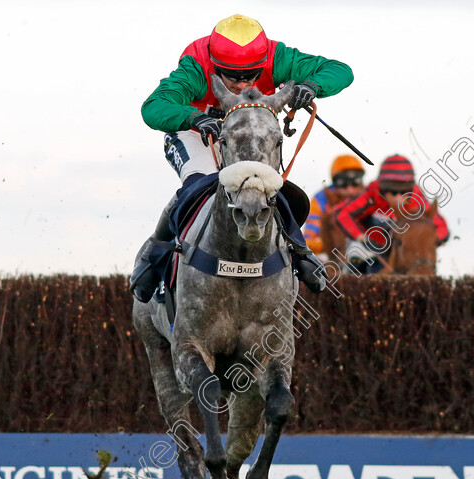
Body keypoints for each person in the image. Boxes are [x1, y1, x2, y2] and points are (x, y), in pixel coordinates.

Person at [131, 14, 354, 302]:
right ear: (216, 65)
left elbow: (340, 70)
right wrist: (193, 116)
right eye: (232, 76)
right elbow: (153, 107)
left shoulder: (277, 56)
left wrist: (312, 86)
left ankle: (300, 251)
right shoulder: (197, 64)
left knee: (264, 184)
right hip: (197, 133)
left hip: (246, 136)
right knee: (199, 184)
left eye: (250, 76)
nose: (241, 83)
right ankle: (154, 256)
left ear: (262, 63)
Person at [334, 154, 450, 273]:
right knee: (356, 257)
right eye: (393, 192)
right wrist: (361, 237)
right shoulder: (371, 195)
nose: (398, 197)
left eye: (403, 192)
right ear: (383, 189)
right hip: (373, 247)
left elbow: (441, 228)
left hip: (404, 252)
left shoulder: (417, 199)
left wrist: (427, 240)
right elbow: (342, 215)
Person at [303, 154, 366, 256]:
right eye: (343, 182)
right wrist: (333, 243)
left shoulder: (371, 197)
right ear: (334, 181)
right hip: (332, 258)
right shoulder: (321, 200)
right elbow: (307, 242)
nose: (350, 190)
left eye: (355, 181)